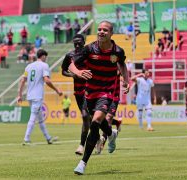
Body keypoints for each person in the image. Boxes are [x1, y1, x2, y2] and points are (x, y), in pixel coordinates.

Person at [69, 21, 129, 175]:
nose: (101, 32)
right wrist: (79, 72)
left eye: (105, 30)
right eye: (100, 29)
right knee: (96, 121)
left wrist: (126, 80)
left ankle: (82, 163)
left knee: (95, 123)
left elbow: (122, 65)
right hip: (90, 93)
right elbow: (71, 65)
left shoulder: (118, 51)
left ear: (111, 34)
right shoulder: (89, 49)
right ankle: (111, 133)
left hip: (106, 92)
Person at [18, 49, 63, 145]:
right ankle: (26, 139)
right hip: (37, 96)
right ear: (43, 56)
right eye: (46, 57)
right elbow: (47, 80)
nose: (46, 59)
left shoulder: (29, 66)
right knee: (33, 116)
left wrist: (20, 95)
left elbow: (22, 80)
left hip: (29, 95)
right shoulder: (44, 65)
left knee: (40, 118)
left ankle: (48, 138)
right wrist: (57, 89)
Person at [61, 34, 91, 155]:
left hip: (90, 89)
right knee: (89, 118)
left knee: (85, 116)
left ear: (84, 42)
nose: (77, 45)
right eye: (75, 43)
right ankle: (102, 136)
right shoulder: (70, 55)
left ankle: (81, 145)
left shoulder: (89, 53)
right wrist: (73, 75)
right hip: (78, 91)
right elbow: (63, 70)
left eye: (79, 43)